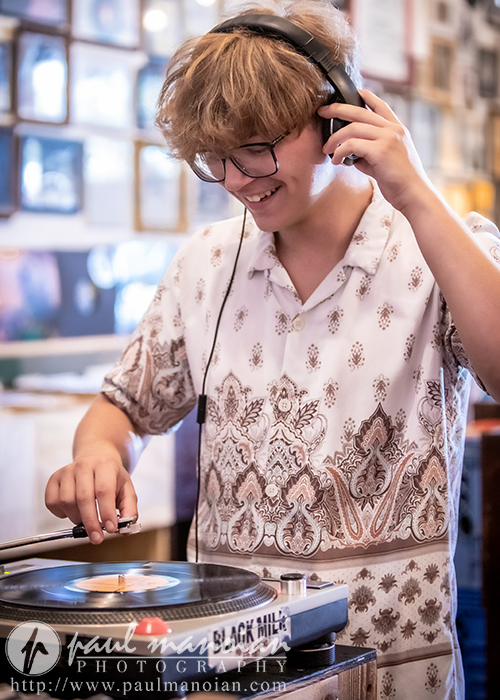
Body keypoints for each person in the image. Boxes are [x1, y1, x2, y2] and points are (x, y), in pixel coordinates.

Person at [45, 1, 500, 698]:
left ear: (337, 116)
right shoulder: (207, 262)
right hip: (231, 669)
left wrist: (414, 193)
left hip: (388, 669)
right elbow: (124, 411)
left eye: (256, 148)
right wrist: (98, 458)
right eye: (215, 158)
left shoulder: (439, 244)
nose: (235, 179)